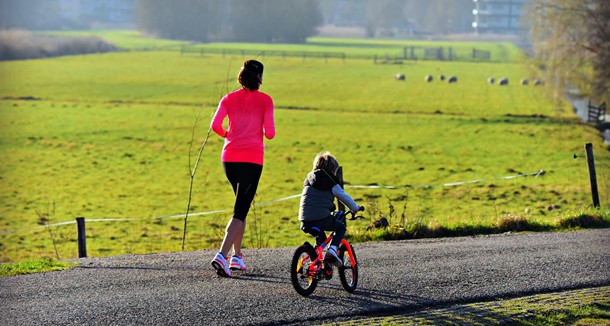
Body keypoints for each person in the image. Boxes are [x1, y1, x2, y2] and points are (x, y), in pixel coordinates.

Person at [210, 59, 275, 277]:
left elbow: (215, 126)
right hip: (252, 159)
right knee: (240, 210)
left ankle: (237, 257)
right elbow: (271, 133)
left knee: (241, 206)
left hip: (229, 158)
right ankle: (222, 254)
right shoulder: (265, 101)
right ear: (259, 78)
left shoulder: (228, 98)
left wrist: (228, 135)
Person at [298, 151, 361, 267]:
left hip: (304, 219)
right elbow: (344, 197)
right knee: (340, 227)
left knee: (321, 241)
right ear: (332, 170)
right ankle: (332, 251)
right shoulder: (330, 182)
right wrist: (354, 208)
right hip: (320, 217)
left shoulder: (309, 180)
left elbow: (315, 200)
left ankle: (318, 265)